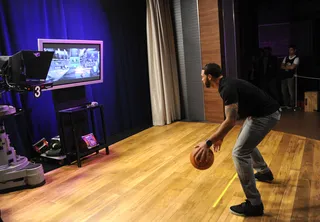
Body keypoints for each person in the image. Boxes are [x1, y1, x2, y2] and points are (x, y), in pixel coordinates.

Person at [195, 63, 281, 217]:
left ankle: (254, 204)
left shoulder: (227, 89)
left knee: (239, 153)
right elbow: (233, 117)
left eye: (202, 76)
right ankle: (264, 172)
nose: (201, 79)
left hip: (265, 116)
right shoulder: (227, 84)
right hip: (260, 113)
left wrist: (209, 142)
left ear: (209, 77)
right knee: (244, 143)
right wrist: (220, 137)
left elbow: (230, 121)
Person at [280, 45, 299, 109]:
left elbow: (293, 67)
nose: (290, 51)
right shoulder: (286, 57)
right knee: (283, 91)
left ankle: (292, 104)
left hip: (290, 76)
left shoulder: (296, 58)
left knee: (291, 91)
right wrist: (288, 67)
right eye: (289, 50)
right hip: (284, 76)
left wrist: (286, 67)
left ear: (294, 50)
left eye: (291, 50)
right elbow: (281, 66)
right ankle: (286, 104)